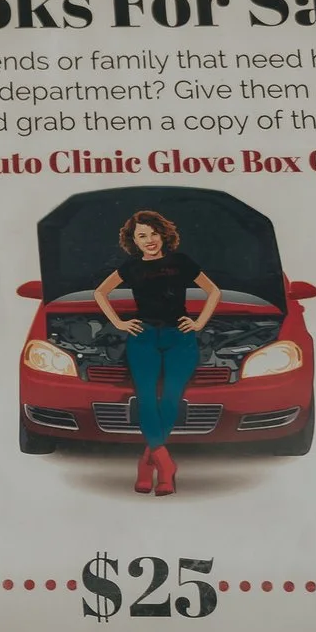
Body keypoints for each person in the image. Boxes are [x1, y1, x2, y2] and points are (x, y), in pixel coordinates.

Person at [93, 210, 220, 495]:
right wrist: (119, 322)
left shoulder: (182, 262)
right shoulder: (131, 267)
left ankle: (146, 463)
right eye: (142, 236)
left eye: (153, 233)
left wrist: (199, 322)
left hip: (181, 337)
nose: (149, 240)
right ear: (133, 241)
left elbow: (214, 292)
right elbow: (100, 293)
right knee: (147, 399)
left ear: (163, 234)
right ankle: (165, 465)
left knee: (172, 398)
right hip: (144, 337)